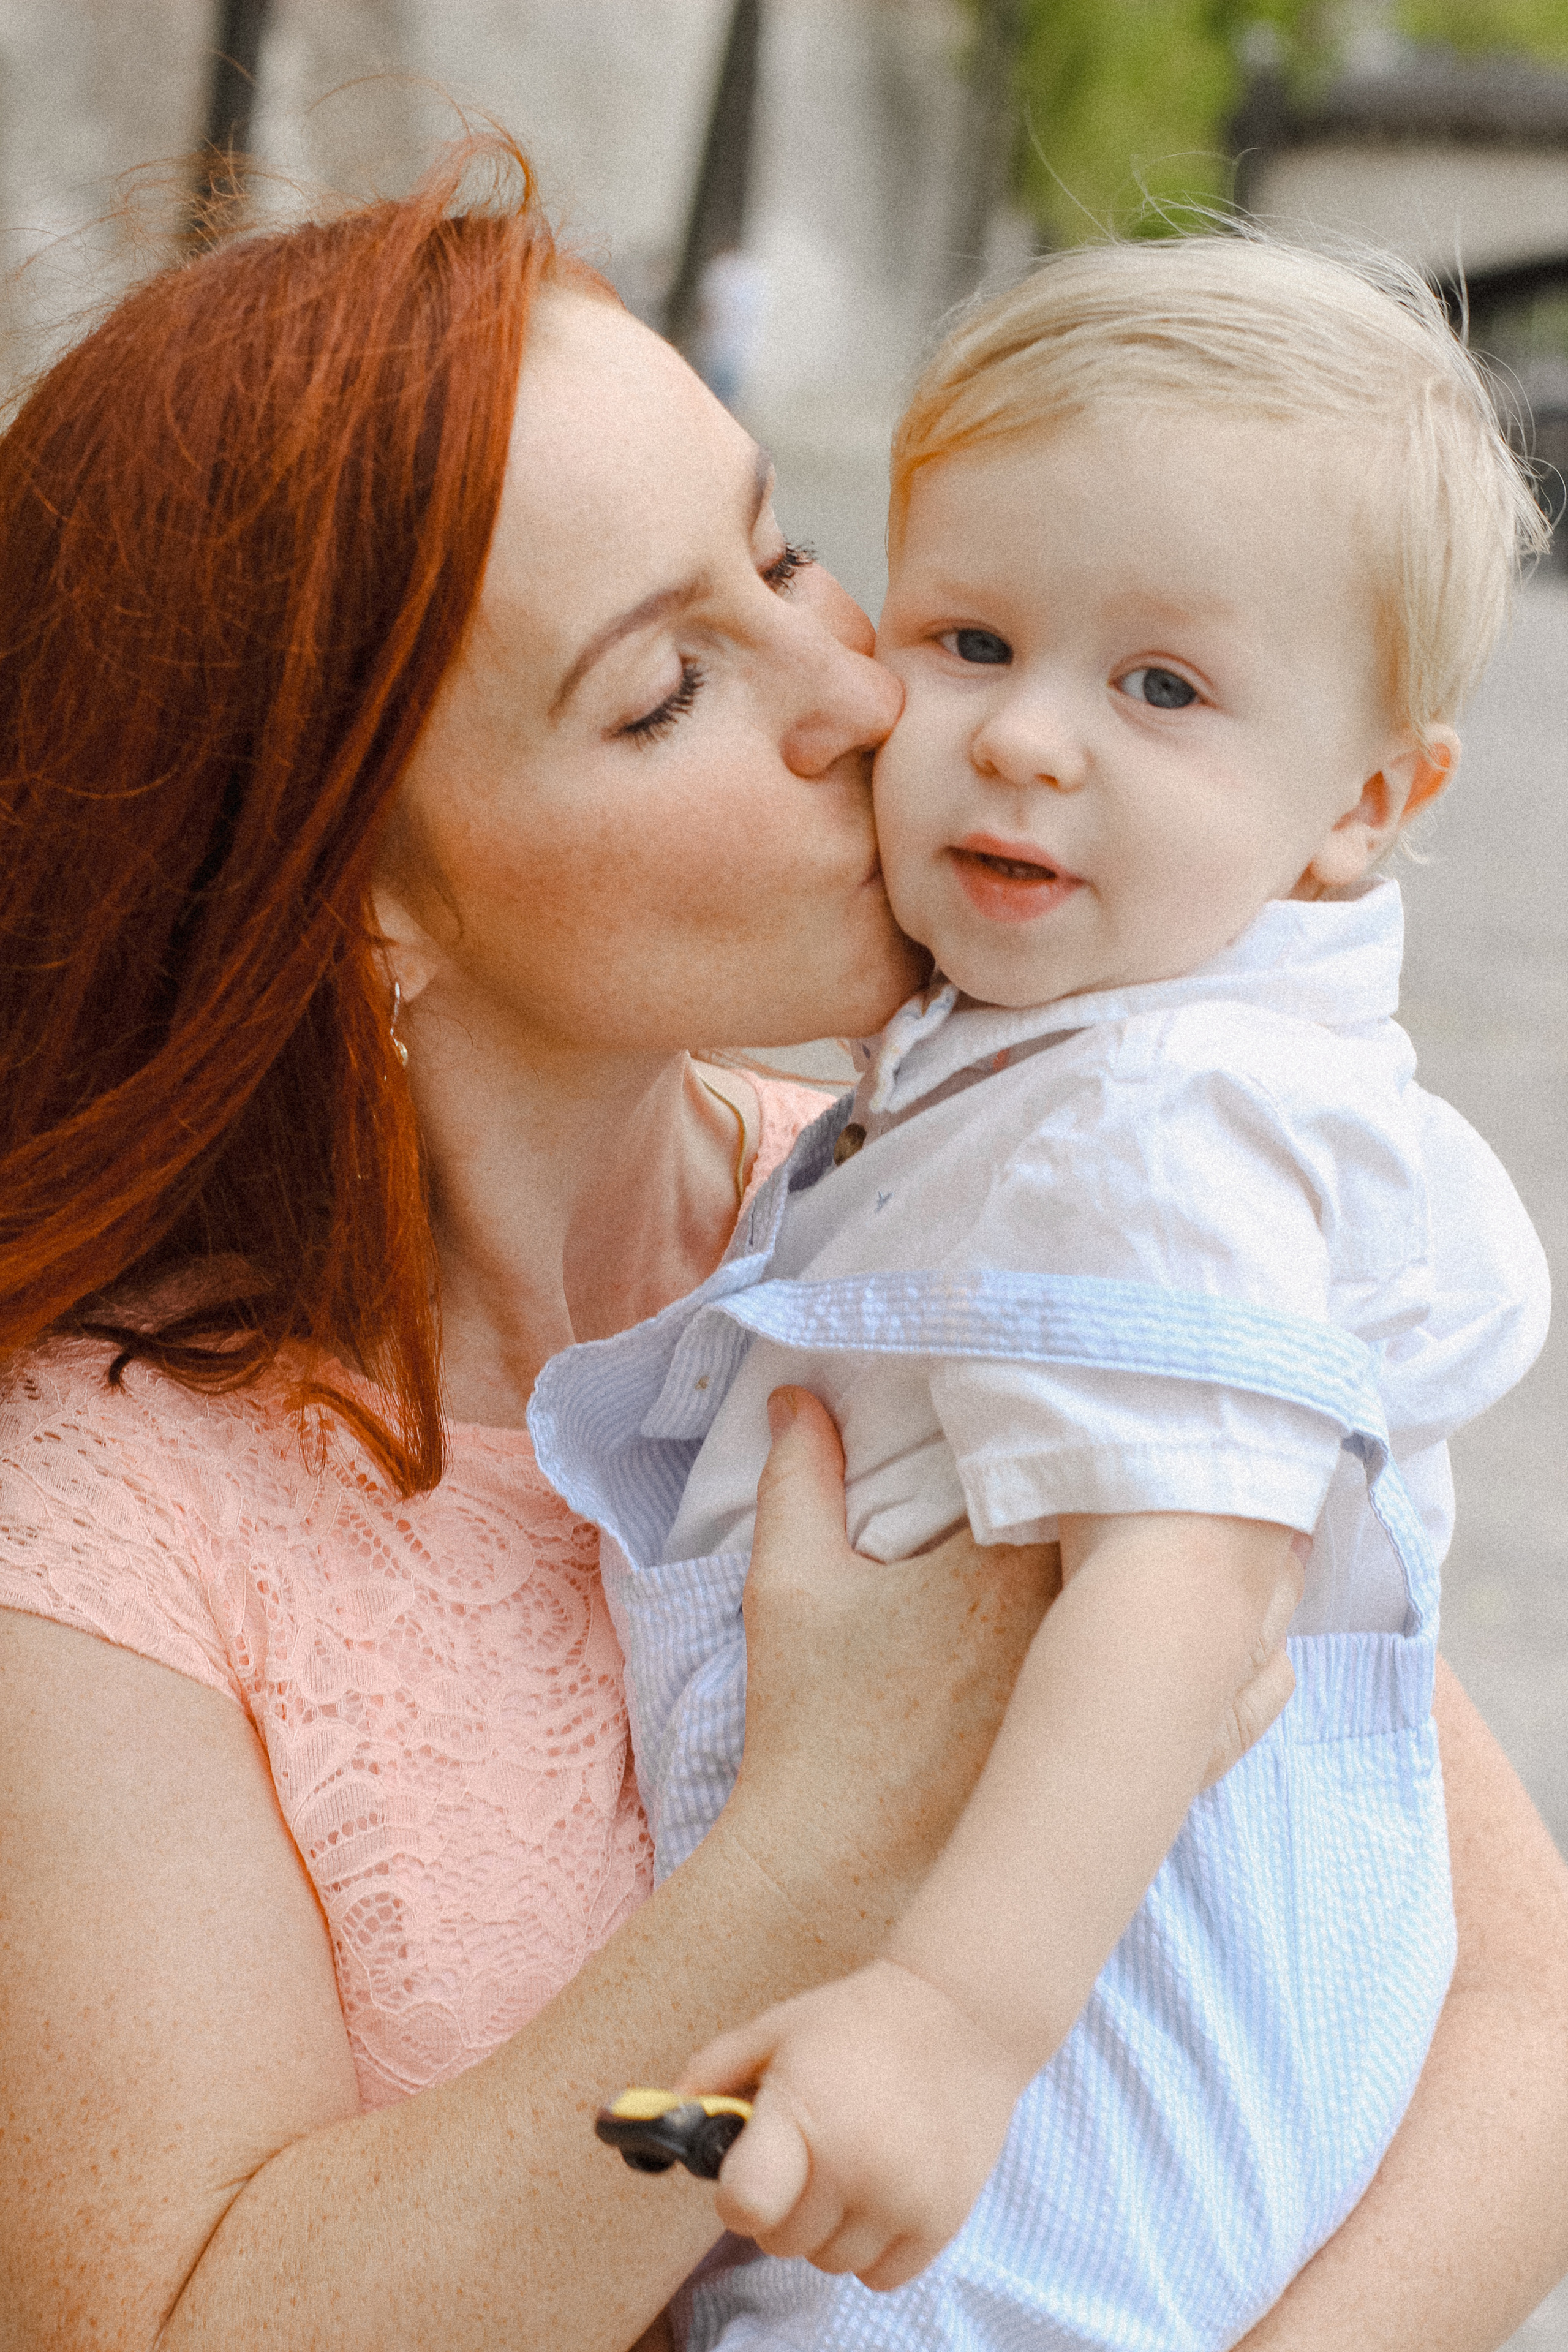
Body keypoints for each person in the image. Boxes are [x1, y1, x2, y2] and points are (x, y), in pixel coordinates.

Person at [0, 141, 1563, 2352]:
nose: (866, 700)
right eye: (666, 690)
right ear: (369, 908)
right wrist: (825, 1842)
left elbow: (1513, 2006)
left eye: (786, 552)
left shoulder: (981, 1190)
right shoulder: (101, 1532)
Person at [530, 235, 1562, 2350]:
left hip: (1044, 2181)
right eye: (973, 636)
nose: (1023, 742)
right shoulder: (1089, 1066)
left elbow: (1189, 1598)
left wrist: (951, 2020)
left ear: (1368, 803)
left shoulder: (1154, 1130)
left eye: (1160, 688)